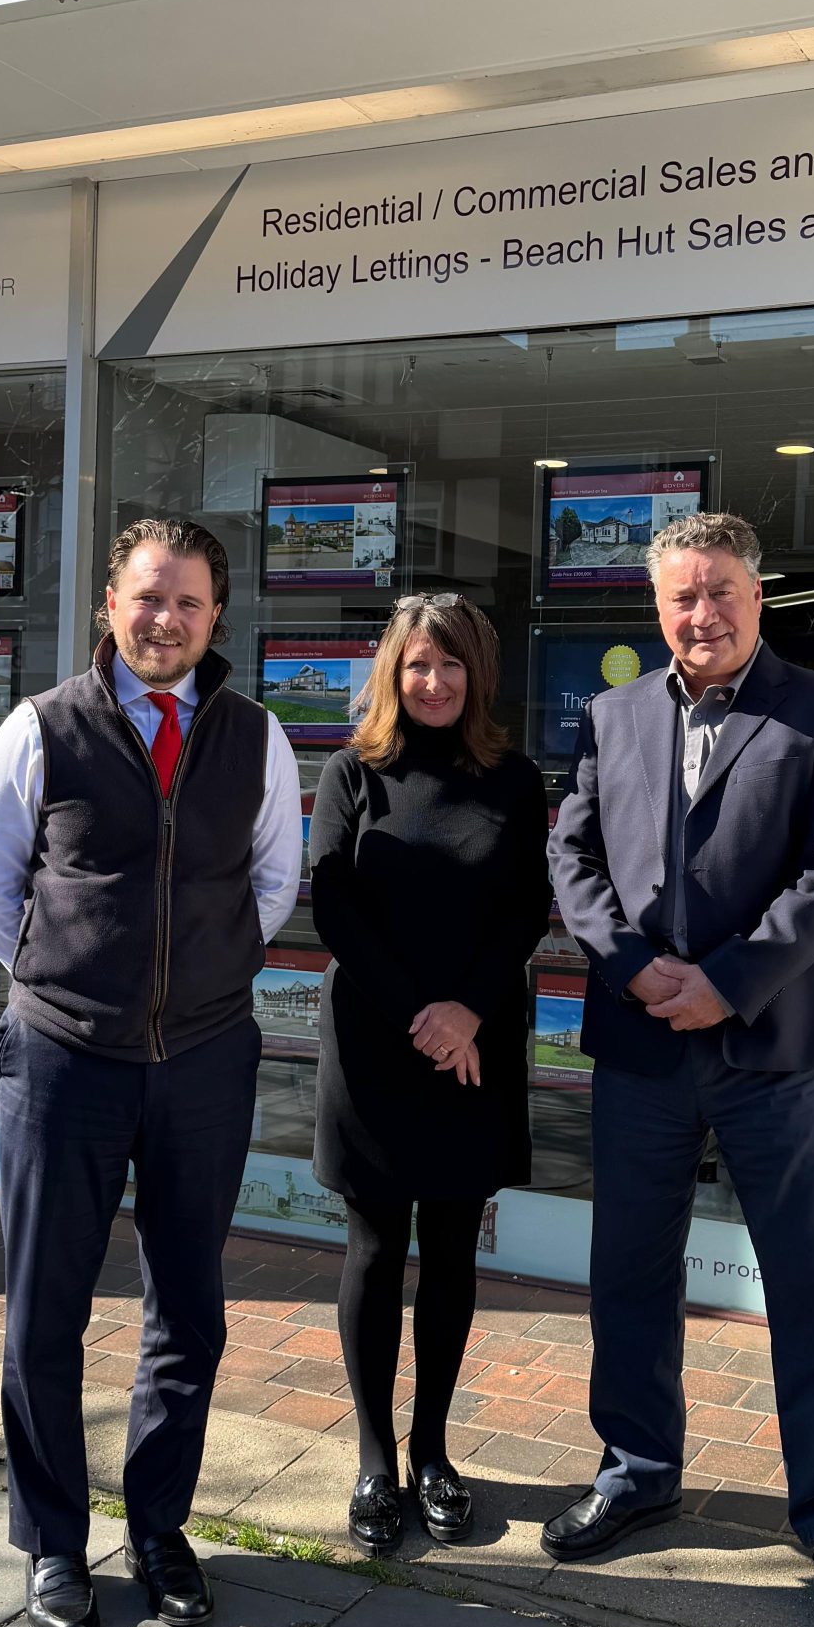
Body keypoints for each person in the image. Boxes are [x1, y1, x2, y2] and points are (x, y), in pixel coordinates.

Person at [546, 509, 814, 1627]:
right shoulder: (612, 715)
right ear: (659, 608)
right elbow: (574, 853)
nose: (701, 613)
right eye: (682, 596)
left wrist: (728, 980)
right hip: (644, 1039)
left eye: (722, 592)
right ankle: (638, 1465)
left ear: (758, 597)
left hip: (774, 1047)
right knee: (631, 1269)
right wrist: (641, 968)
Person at [0, 517, 301, 1627]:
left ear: (217, 619)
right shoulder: (41, 728)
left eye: (190, 603)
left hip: (204, 1055)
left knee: (188, 1308)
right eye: (149, 597)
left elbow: (270, 883)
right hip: (63, 1054)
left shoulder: (255, 738)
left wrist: (196, 982)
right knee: (46, 1307)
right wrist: (71, 981)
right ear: (111, 604)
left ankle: (160, 1528)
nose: (167, 620)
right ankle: (54, 1542)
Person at [308, 593, 550, 1550]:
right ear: (391, 673)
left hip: (473, 1049)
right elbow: (332, 906)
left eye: (452, 665)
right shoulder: (350, 773)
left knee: (452, 1249)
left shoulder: (515, 779)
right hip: (375, 1045)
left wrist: (466, 1013)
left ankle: (434, 1453)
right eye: (417, 665)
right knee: (374, 1248)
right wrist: (420, 1012)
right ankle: (375, 1462)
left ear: (477, 675)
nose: (435, 682)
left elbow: (526, 909)